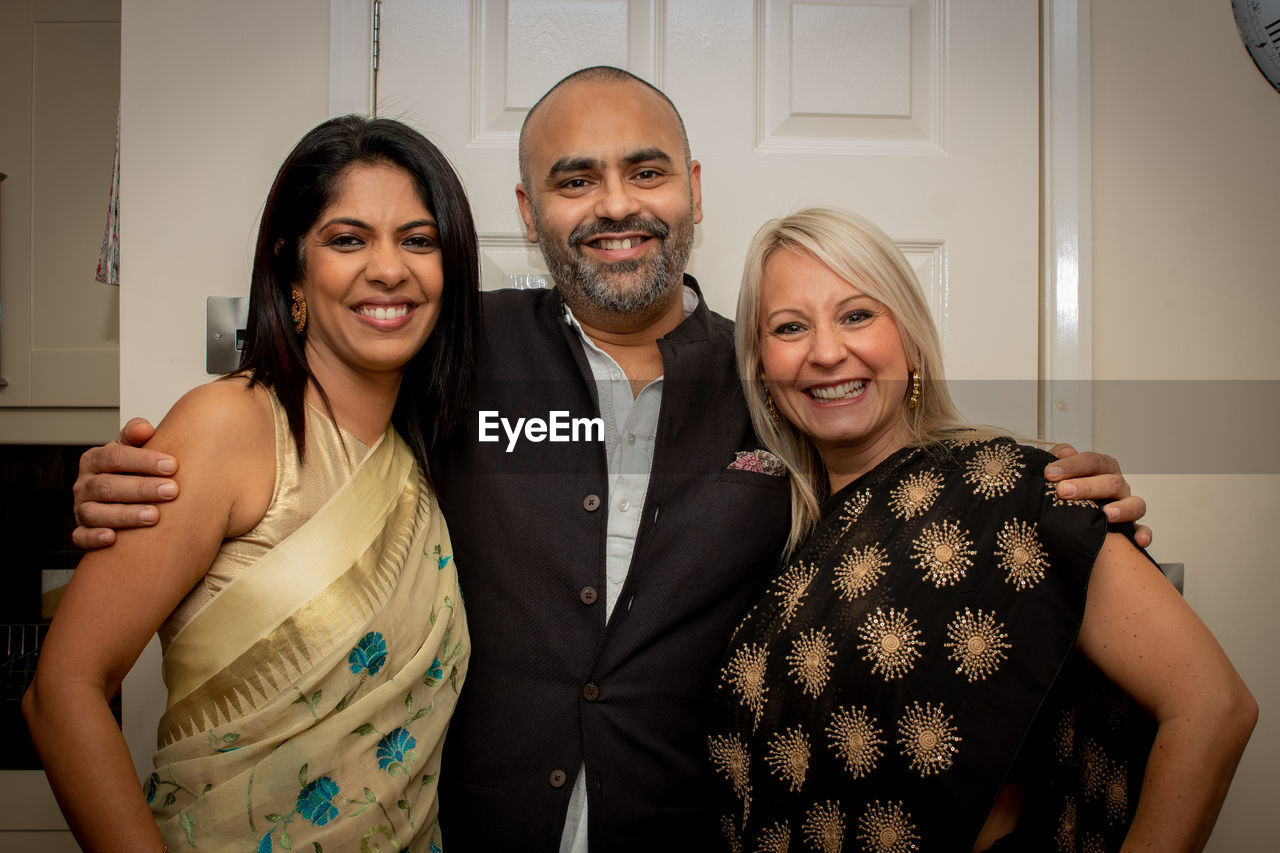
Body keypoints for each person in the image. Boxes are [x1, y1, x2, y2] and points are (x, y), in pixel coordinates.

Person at [69, 68, 1150, 851]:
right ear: (528, 211)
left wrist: (1051, 523)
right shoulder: (448, 344)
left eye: (643, 171)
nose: (616, 205)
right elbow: (290, 405)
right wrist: (125, 470)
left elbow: (910, 522)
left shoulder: (778, 385)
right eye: (574, 180)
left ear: (690, 184)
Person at [707, 207, 1255, 851]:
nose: (827, 352)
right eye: (790, 327)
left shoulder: (1014, 490)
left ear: (909, 341)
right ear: (763, 370)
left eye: (857, 315)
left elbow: (1214, 708)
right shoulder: (779, 541)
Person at [24, 115, 479, 852]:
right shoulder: (229, 426)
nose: (389, 268)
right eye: (348, 238)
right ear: (292, 269)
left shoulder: (419, 462)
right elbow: (61, 691)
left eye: (419, 240)